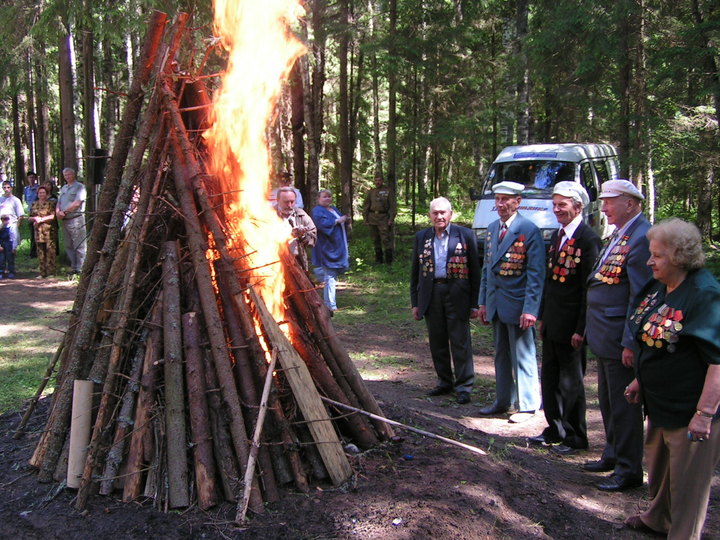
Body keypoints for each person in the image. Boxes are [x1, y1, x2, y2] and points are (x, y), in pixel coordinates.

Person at [623, 218, 720, 539]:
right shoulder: (660, 286)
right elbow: (656, 339)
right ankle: (658, 518)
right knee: (662, 471)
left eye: (657, 255)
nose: (649, 261)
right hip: (660, 403)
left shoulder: (703, 294)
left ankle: (682, 534)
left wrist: (704, 415)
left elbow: (718, 362)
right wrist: (641, 380)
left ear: (679, 256)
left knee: (687, 485)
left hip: (689, 410)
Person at [584, 179, 651, 491]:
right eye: (604, 200)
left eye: (610, 201)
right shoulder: (620, 233)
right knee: (609, 401)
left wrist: (629, 341)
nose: (605, 207)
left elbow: (639, 297)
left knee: (624, 406)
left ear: (631, 203)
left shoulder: (642, 236)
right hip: (603, 333)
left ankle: (628, 470)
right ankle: (612, 454)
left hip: (618, 338)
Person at [529, 182, 601, 453]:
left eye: (563, 205)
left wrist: (581, 328)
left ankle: (575, 437)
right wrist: (542, 317)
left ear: (578, 207)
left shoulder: (587, 239)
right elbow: (550, 282)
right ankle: (554, 429)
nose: (557, 209)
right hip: (553, 322)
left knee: (571, 383)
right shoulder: (558, 236)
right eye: (555, 204)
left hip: (572, 325)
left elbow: (588, 289)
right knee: (550, 379)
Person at [478, 181, 545, 423]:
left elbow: (536, 275)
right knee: (501, 355)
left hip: (518, 306)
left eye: (507, 199)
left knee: (523, 355)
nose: (501, 204)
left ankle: (528, 405)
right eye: (498, 199)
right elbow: (487, 268)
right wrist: (483, 302)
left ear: (518, 202)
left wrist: (530, 309)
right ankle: (503, 400)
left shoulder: (529, 229)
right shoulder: (493, 228)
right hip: (496, 303)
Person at [411, 197, 480, 404]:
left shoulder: (465, 235)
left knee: (460, 341)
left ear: (451, 214)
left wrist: (475, 303)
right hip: (431, 294)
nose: (439, 216)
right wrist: (415, 302)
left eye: (443, 212)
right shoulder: (422, 237)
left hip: (457, 293)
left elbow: (475, 272)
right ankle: (444, 381)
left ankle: (464, 385)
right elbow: (415, 272)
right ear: (430, 215)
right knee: (437, 340)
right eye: (435, 213)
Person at [311, 189, 349, 312]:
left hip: (337, 245)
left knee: (342, 267)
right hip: (327, 246)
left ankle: (318, 272)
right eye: (324, 197)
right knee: (331, 275)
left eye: (329, 196)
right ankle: (330, 305)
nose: (327, 199)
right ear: (318, 199)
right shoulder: (317, 211)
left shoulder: (333, 209)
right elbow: (322, 224)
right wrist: (337, 221)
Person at [276, 186, 316, 271]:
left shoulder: (301, 214)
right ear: (277, 200)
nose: (289, 205)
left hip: (297, 262)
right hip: (275, 262)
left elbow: (313, 234)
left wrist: (303, 235)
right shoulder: (268, 214)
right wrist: (290, 235)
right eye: (286, 202)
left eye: (292, 202)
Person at [55, 167, 87, 275]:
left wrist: (64, 212)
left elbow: (77, 203)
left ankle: (82, 268)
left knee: (79, 244)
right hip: (65, 220)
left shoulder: (80, 187)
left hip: (76, 219)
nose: (67, 177)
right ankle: (74, 267)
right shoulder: (64, 188)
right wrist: (58, 211)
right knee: (69, 245)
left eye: (69, 174)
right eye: (65, 175)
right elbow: (59, 202)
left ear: (74, 175)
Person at [362, 173, 396, 264]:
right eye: (376, 180)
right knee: (375, 238)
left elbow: (392, 207)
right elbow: (366, 205)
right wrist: (365, 218)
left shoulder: (388, 191)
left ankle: (389, 260)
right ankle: (378, 259)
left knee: (385, 238)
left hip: (384, 218)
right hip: (372, 217)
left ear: (382, 181)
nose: (378, 182)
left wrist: (391, 219)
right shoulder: (371, 192)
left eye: (379, 180)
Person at [28, 185, 57, 278]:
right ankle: (42, 273)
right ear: (37, 194)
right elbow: (29, 217)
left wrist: (41, 219)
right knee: (40, 252)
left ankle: (50, 273)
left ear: (47, 193)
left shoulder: (51, 203)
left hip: (49, 231)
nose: (42, 194)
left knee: (50, 252)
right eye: (40, 193)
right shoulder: (34, 204)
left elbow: (52, 216)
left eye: (43, 193)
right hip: (38, 232)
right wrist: (34, 218)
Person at [0, 180, 24, 245]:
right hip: (1, 226)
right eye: (4, 187)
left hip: (12, 225)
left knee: (12, 248)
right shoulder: (0, 199)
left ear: (11, 188)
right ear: (2, 188)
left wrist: (16, 227)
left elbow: (21, 216)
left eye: (8, 187)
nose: (6, 189)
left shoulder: (16, 200)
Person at [23, 171, 39, 258]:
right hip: (30, 214)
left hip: (39, 214)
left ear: (35, 178)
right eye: (30, 177)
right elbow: (26, 201)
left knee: (39, 233)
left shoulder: (39, 188)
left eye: (33, 177)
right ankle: (33, 253)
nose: (31, 179)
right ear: (27, 179)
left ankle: (39, 252)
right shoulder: (26, 189)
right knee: (32, 234)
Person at [0, 214, 18, 278]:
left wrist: (14, 247)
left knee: (10, 258)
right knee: (2, 259)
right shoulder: (1, 227)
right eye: (4, 219)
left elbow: (14, 237)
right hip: (2, 244)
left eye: (7, 219)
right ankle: (1, 272)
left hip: (9, 244)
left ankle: (11, 272)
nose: (5, 221)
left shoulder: (11, 227)